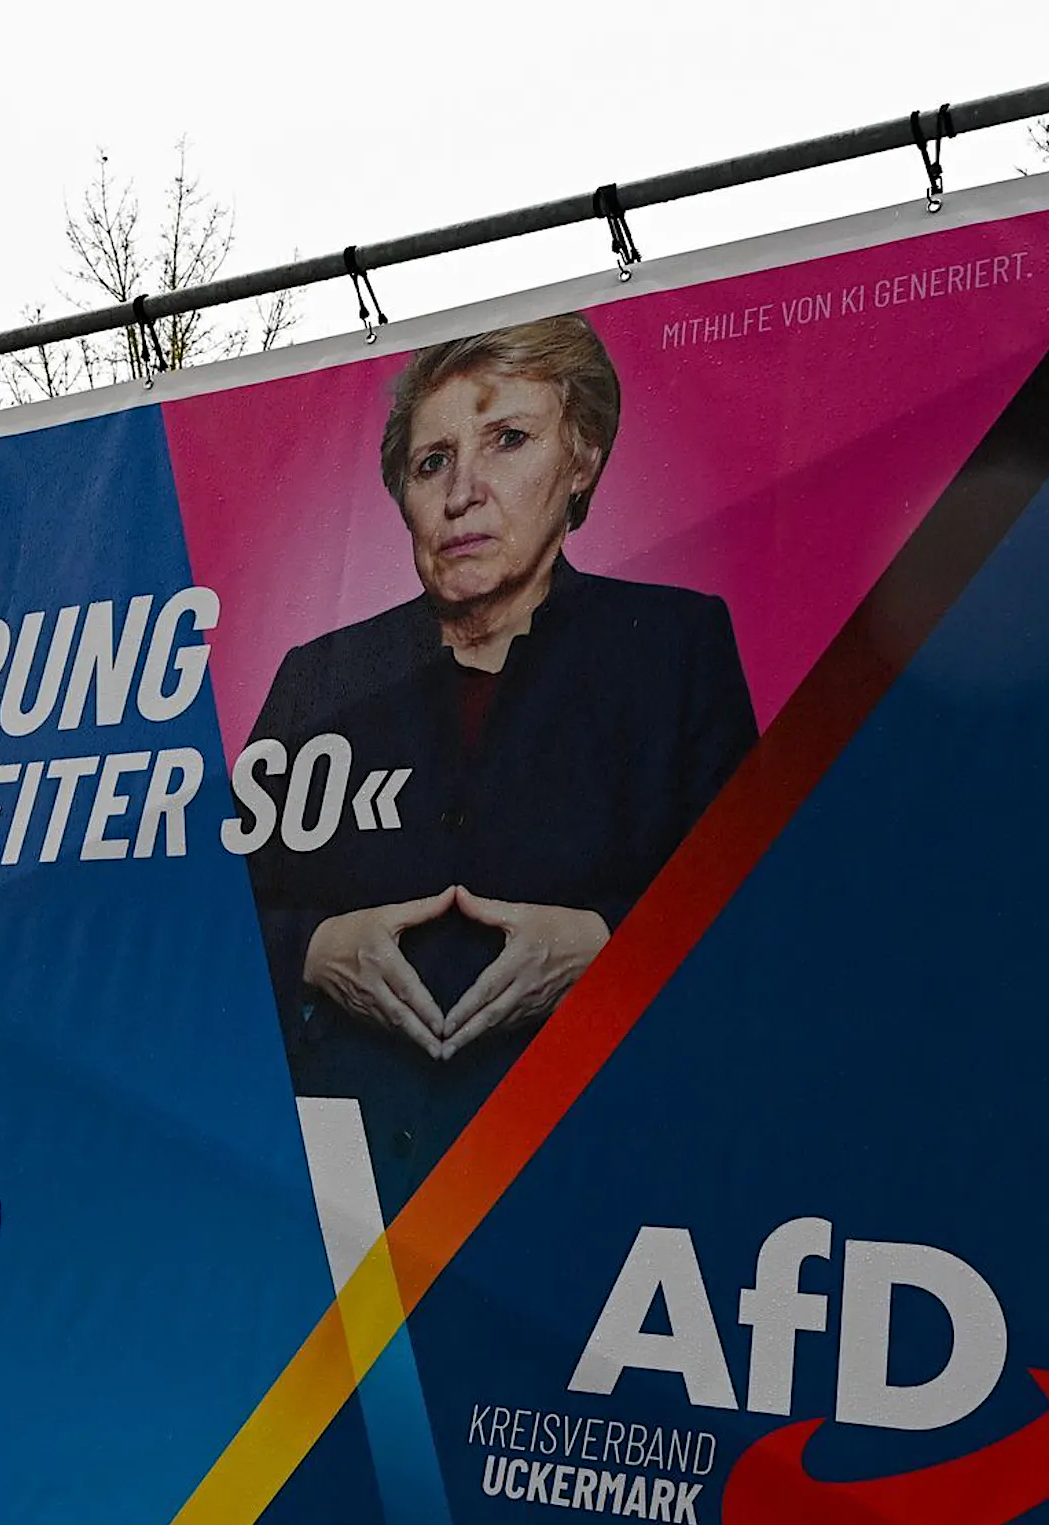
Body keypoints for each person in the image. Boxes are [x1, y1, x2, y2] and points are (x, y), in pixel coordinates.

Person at [246, 314, 757, 1206]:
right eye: (432, 462)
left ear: (582, 460)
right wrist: (314, 950)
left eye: (508, 440)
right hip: (331, 1191)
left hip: (589, 1177)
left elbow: (766, 918)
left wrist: (609, 947)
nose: (463, 494)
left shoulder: (675, 649)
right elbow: (208, 919)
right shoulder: (320, 677)